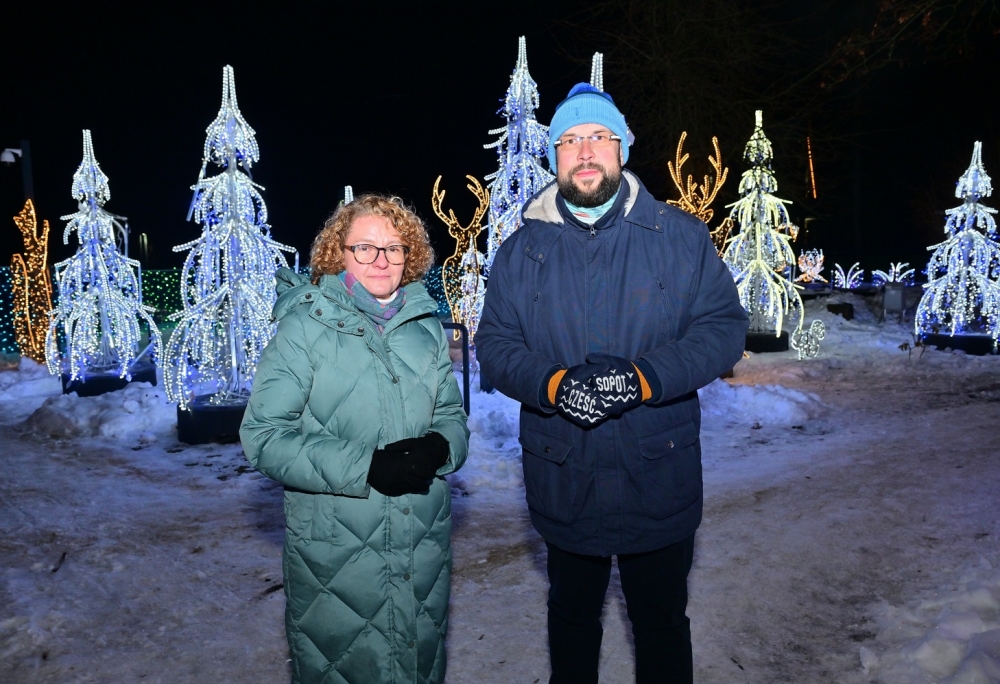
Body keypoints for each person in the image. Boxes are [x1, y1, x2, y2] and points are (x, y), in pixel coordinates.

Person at [475, 80, 748, 683]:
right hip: (564, 476)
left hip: (658, 471)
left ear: (622, 146)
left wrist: (643, 379)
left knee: (661, 625)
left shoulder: (680, 237)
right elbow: (494, 345)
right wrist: (553, 386)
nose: (585, 151)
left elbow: (723, 330)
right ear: (554, 155)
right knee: (572, 622)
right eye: (570, 140)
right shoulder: (520, 252)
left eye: (599, 136)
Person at [240, 194, 469, 684]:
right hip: (339, 553)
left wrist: (440, 447)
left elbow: (451, 414)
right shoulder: (305, 328)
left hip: (421, 542)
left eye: (394, 248)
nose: (381, 260)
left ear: (410, 256)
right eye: (364, 247)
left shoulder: (424, 328)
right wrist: (366, 466)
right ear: (337, 253)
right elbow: (264, 436)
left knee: (417, 664)